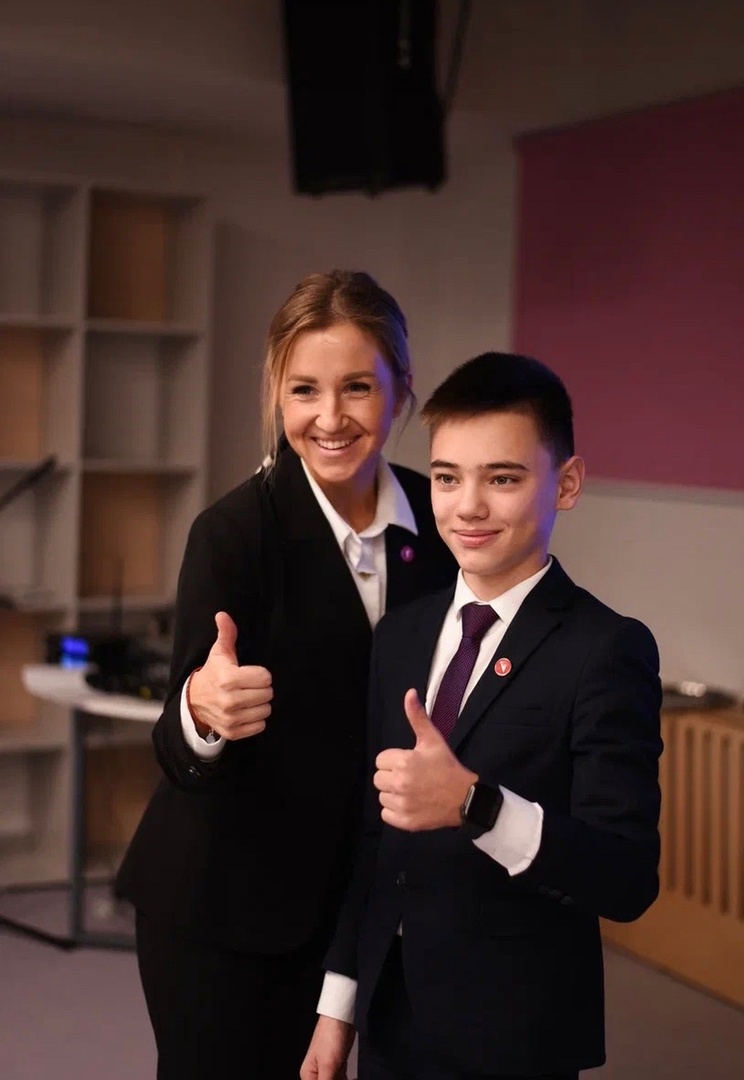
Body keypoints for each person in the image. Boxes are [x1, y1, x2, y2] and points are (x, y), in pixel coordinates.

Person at [114, 269, 456, 1080]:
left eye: (357, 387)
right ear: (276, 392)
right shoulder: (233, 533)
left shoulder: (442, 518)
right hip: (229, 911)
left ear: (401, 390)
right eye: (305, 390)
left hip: (372, 901)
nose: (330, 418)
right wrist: (202, 710)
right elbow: (175, 746)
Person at [302, 351, 663, 1080]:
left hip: (514, 1032)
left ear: (566, 484)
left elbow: (626, 877)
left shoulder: (605, 649)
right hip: (390, 1013)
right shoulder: (401, 634)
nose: (467, 507)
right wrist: (337, 1007)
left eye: (502, 479)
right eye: (446, 478)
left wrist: (475, 804)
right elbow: (376, 837)